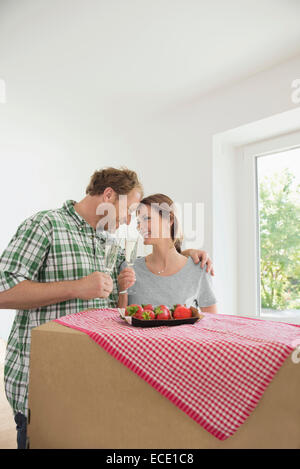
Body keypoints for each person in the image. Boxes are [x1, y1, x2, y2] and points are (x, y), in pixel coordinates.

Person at [0, 168, 213, 449]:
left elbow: (136, 288)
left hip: (92, 384)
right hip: (44, 385)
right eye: (130, 211)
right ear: (109, 195)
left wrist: (186, 256)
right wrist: (76, 287)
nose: (130, 222)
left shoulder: (110, 243)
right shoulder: (45, 225)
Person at [118, 193, 217, 313]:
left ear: (169, 219)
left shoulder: (198, 268)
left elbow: (212, 322)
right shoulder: (130, 269)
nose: (140, 226)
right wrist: (122, 291)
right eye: (138, 222)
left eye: (147, 218)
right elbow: (121, 320)